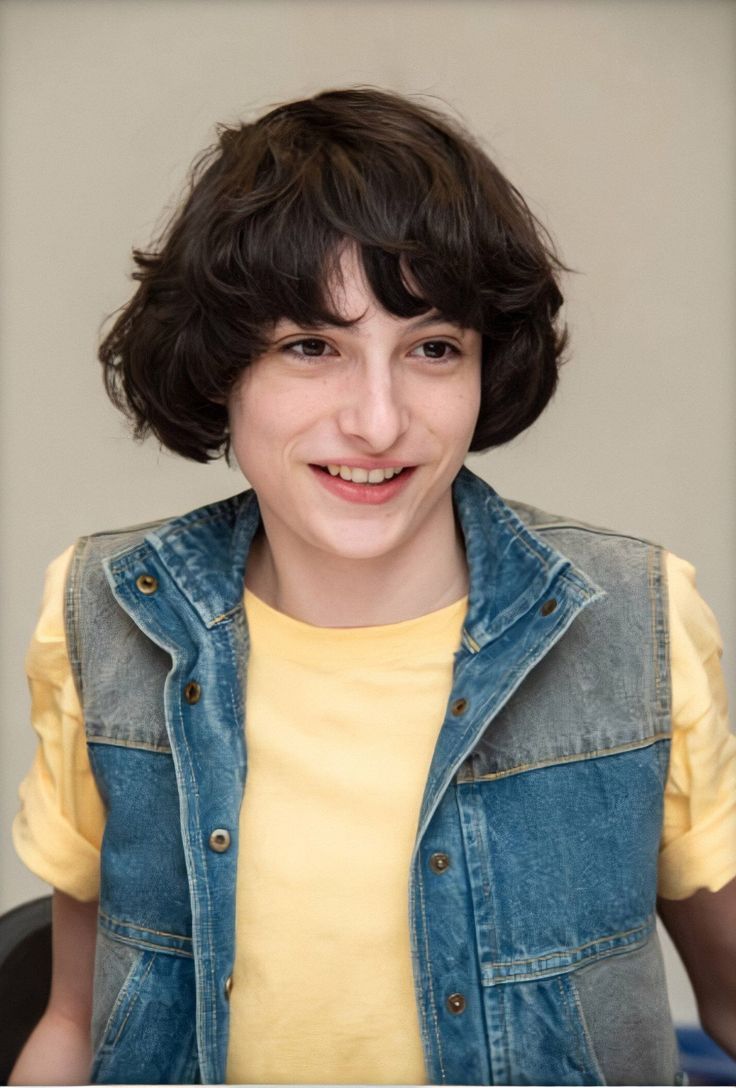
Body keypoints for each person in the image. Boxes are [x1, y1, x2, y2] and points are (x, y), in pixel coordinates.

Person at [9, 87, 736, 1086]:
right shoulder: (105, 612)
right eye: (313, 347)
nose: (379, 420)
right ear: (226, 368)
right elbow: (77, 1023)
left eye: (433, 348)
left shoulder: (632, 616)